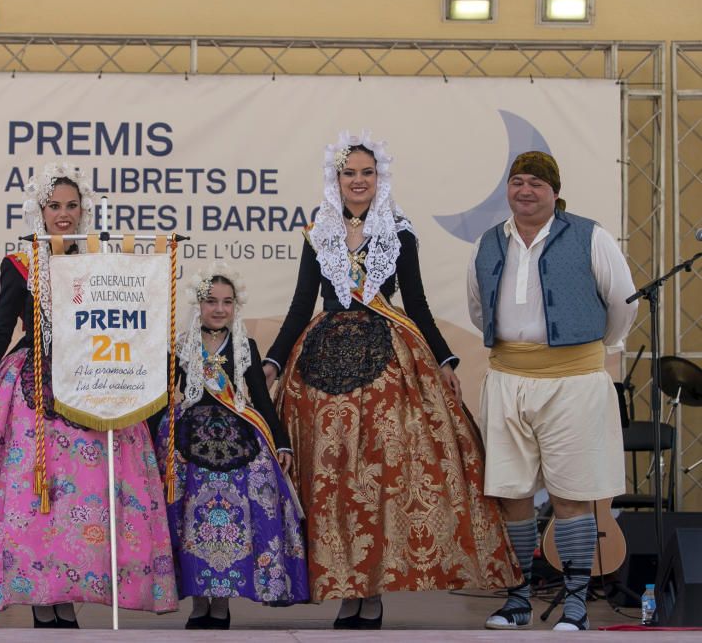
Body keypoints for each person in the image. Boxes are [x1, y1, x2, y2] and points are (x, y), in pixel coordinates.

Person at [263, 131, 520, 629]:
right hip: (323, 367)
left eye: (367, 173)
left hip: (389, 367)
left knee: (380, 478)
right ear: (335, 179)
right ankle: (344, 588)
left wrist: (444, 362)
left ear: (380, 178)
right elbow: (301, 304)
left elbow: (418, 304)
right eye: (349, 173)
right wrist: (273, 361)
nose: (358, 181)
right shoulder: (318, 231)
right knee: (331, 479)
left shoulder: (398, 233)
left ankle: (373, 590)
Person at [0, 163, 177, 627]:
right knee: (38, 501)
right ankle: (44, 606)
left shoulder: (102, 262)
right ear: (40, 209)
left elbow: (130, 328)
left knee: (87, 504)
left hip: (94, 388)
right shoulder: (20, 263)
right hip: (32, 394)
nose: (64, 214)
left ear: (84, 210)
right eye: (55, 205)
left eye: (72, 205)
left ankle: (68, 600)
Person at [468, 151, 636, 632]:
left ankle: (577, 606)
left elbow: (621, 302)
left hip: (574, 381)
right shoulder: (487, 242)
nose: (525, 190)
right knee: (510, 491)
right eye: (517, 181)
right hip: (507, 378)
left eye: (536, 184)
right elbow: (480, 308)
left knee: (572, 491)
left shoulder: (590, 234)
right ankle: (518, 599)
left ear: (555, 191)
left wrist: (594, 349)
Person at [151, 262, 308, 630]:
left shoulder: (244, 345)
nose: (219, 309)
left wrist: (280, 441)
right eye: (211, 301)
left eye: (227, 302)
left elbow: (261, 400)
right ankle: (198, 599)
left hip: (239, 439)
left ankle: (220, 603)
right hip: (189, 442)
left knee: (235, 521)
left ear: (236, 305)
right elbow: (160, 399)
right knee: (191, 520)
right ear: (198, 304)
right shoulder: (180, 344)